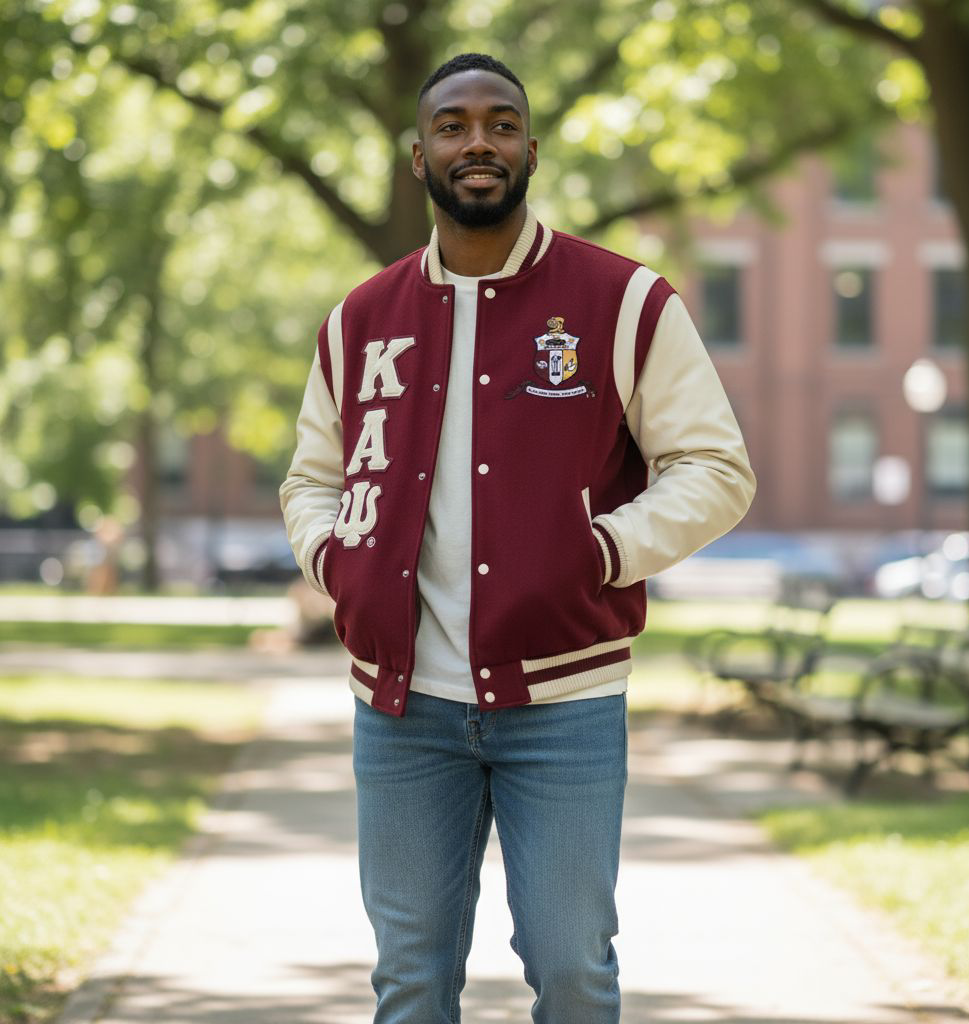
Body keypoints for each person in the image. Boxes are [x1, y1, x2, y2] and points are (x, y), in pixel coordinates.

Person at [280, 51, 755, 1024]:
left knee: (574, 971)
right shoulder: (360, 320)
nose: (477, 142)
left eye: (500, 123)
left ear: (530, 149)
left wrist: (600, 550)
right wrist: (340, 564)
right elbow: (311, 479)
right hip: (403, 709)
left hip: (565, 702)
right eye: (453, 126)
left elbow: (717, 469)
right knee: (410, 981)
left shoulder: (622, 302)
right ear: (419, 157)